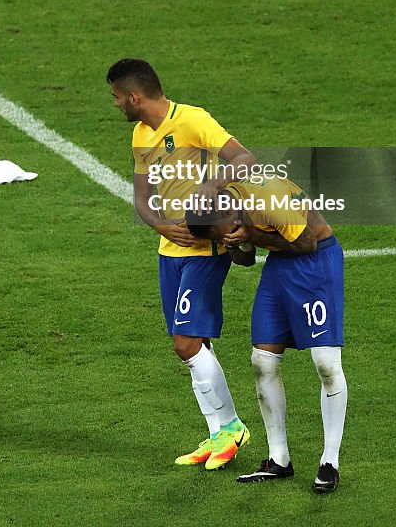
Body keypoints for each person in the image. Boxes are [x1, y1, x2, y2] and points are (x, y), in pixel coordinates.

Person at [106, 57, 252, 470]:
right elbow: (141, 198)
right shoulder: (140, 135)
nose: (115, 104)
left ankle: (233, 428)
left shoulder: (192, 120)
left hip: (206, 249)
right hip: (169, 251)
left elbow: (244, 160)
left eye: (117, 97)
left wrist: (210, 187)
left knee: (185, 343)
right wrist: (163, 227)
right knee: (193, 347)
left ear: (134, 96)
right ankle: (217, 433)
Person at [186, 180, 347, 494]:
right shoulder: (223, 205)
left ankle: (330, 462)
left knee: (326, 363)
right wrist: (236, 243)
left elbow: (307, 243)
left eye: (222, 232)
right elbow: (245, 259)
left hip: (316, 261)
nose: (223, 236)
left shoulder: (266, 201)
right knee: (262, 361)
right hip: (280, 264)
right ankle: (279, 459)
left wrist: (252, 234)